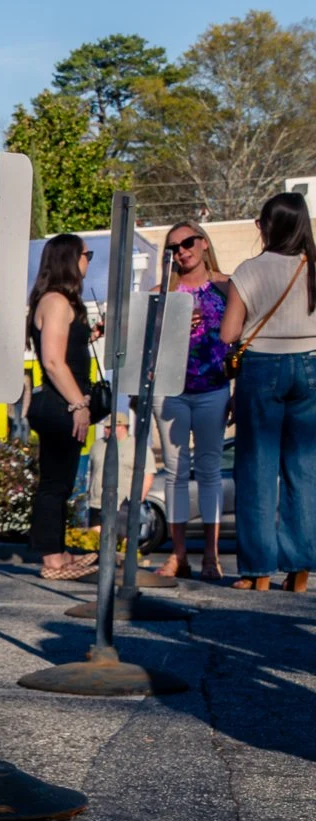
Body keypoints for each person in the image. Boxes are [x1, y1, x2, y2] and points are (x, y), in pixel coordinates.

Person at [221, 192, 316, 593]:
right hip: (312, 366)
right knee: (304, 469)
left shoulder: (249, 271)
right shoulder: (313, 266)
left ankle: (258, 570)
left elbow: (229, 333)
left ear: (269, 226)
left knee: (257, 469)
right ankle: (300, 569)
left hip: (261, 369)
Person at [152, 223, 233, 582]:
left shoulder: (226, 287)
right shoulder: (162, 293)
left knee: (210, 470)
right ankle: (179, 554)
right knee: (175, 472)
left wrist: (239, 389)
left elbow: (243, 340)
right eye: (173, 248)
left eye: (187, 243)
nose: (181, 251)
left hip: (213, 388)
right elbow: (146, 345)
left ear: (203, 243)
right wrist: (172, 330)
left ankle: (211, 556)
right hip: (171, 390)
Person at [26, 234, 100, 580]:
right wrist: (79, 404)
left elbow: (65, 349)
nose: (88, 261)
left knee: (62, 482)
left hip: (62, 403)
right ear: (70, 259)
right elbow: (54, 361)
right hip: (60, 405)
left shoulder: (60, 301)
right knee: (55, 483)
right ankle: (52, 559)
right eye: (87, 254)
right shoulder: (55, 301)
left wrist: (90, 335)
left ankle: (59, 551)